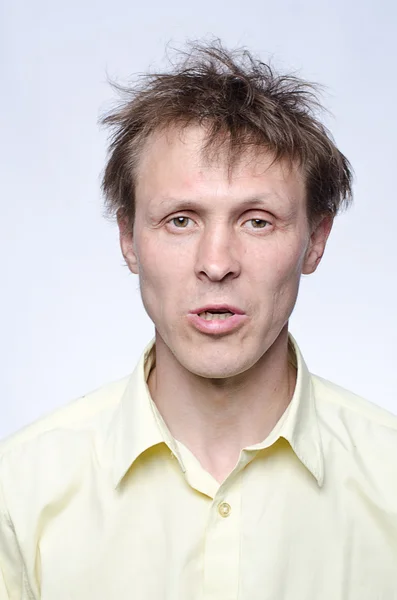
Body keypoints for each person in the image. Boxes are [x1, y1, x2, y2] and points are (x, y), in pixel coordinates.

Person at [1, 41, 396, 600]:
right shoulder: (17, 493)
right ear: (128, 239)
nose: (216, 263)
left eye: (257, 222)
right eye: (180, 219)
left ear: (316, 241)